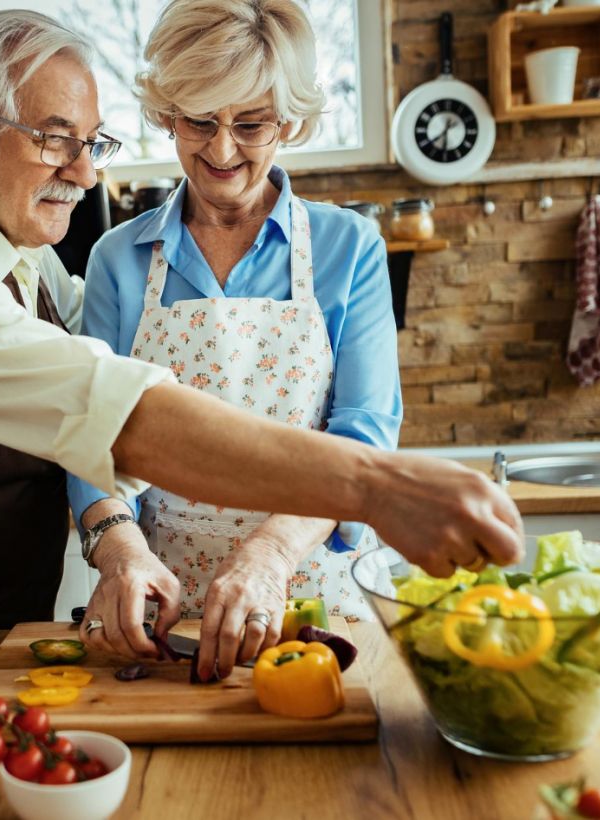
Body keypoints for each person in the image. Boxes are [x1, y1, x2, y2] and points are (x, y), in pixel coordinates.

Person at [0, 10, 523, 641]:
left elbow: (361, 417)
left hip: (28, 626)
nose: (87, 176)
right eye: (55, 140)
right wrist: (377, 488)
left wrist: (275, 548)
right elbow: (117, 419)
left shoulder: (29, 261)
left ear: (290, 123)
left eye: (91, 142)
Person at [68, 0, 400, 679]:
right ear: (167, 112)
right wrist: (119, 551)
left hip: (312, 596)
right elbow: (88, 436)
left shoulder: (349, 247)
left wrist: (270, 556)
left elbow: (363, 434)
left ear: (292, 121)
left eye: (250, 124)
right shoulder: (118, 259)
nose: (220, 151)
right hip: (164, 606)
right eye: (198, 121)